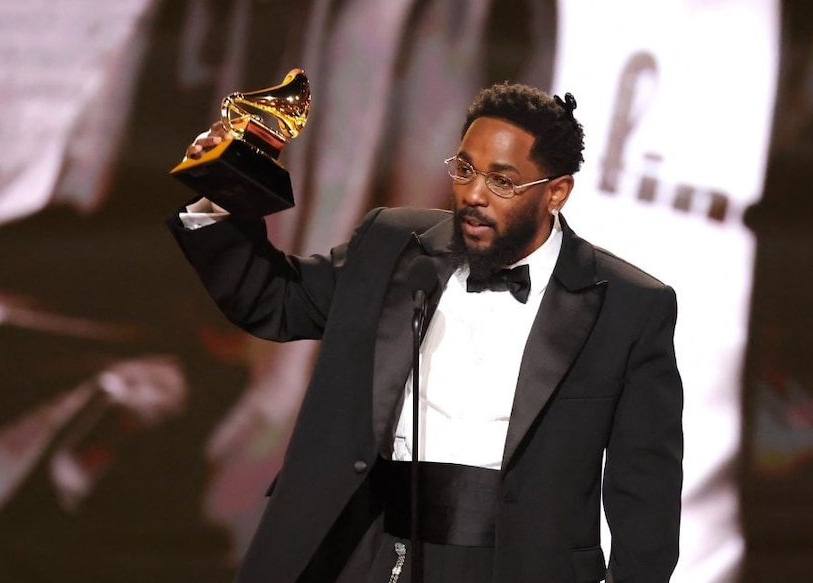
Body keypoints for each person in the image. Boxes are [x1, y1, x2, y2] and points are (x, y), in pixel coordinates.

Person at [167, 82, 683, 583]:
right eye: (464, 169)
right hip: (368, 547)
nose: (474, 195)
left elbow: (646, 491)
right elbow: (275, 302)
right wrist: (222, 194)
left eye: (502, 181)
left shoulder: (627, 305)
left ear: (556, 193)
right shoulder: (393, 244)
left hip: (515, 564)